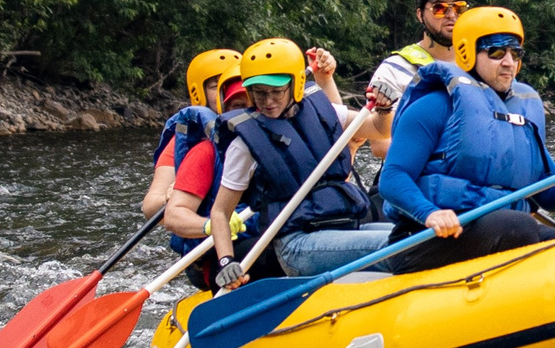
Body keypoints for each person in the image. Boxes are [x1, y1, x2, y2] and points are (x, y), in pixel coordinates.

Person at [378, 5, 555, 270]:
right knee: (517, 225)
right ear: (466, 53)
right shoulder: (434, 105)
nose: (508, 62)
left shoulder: (523, 112)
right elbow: (392, 177)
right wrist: (430, 213)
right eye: (496, 52)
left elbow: (553, 198)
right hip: (424, 241)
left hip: (501, 232)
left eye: (515, 53)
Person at [203, 38, 391, 287]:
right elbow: (219, 212)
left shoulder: (324, 112)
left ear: (296, 84)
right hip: (298, 246)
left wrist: (384, 108)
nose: (267, 101)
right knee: (396, 244)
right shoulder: (245, 144)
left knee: (416, 234)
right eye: (259, 92)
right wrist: (227, 261)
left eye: (276, 91)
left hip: (343, 226)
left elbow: (379, 130)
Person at [362, 0, 471, 159]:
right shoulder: (394, 68)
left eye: (459, 8)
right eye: (440, 8)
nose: (451, 15)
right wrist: (445, 154)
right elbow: (380, 146)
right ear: (420, 15)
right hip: (418, 177)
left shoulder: (479, 66)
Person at [160, 73, 252, 289]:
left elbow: (345, 133)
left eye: (251, 106)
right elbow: (173, 215)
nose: (245, 115)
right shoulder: (206, 153)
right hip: (214, 257)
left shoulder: (280, 145)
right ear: (224, 111)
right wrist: (211, 226)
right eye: (237, 106)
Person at [142, 47, 242, 216]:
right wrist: (167, 198)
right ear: (199, 93)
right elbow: (150, 208)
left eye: (231, 84)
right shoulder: (187, 141)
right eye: (216, 86)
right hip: (208, 225)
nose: (224, 93)